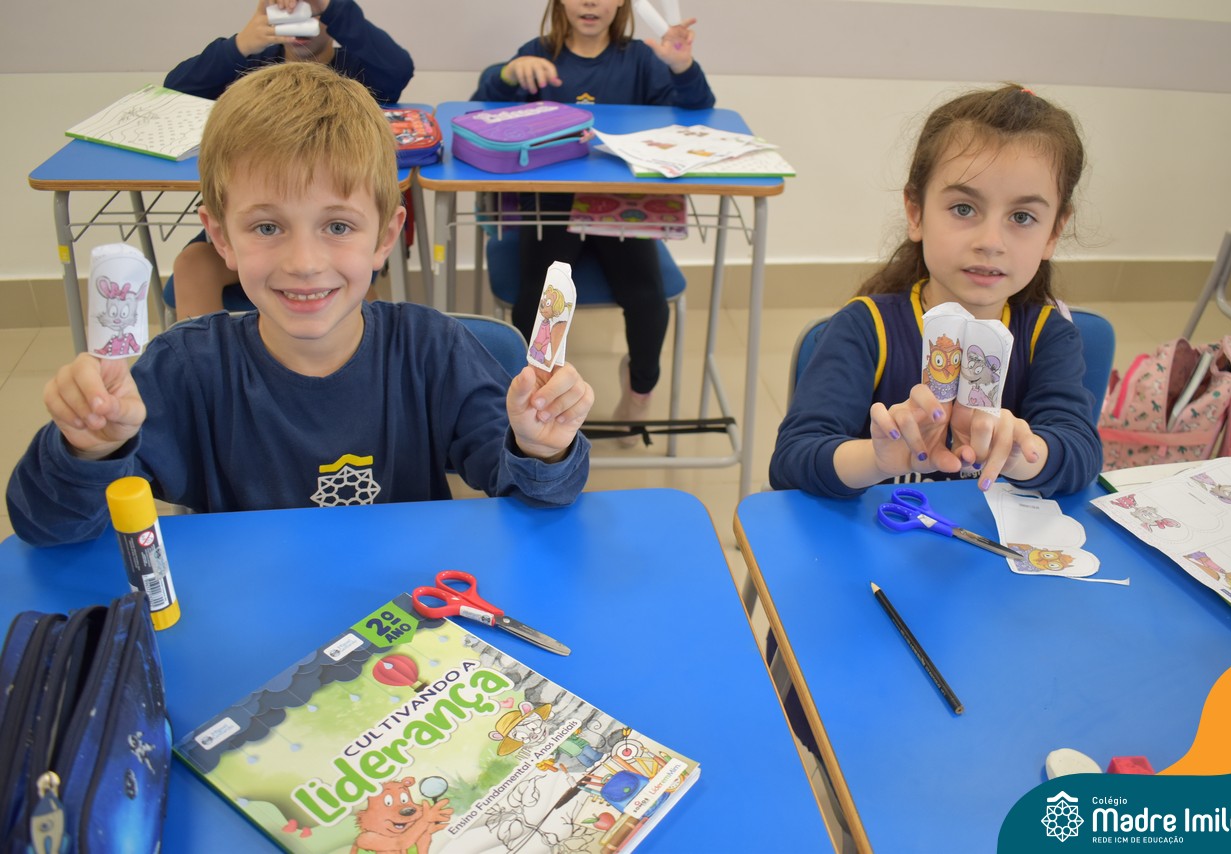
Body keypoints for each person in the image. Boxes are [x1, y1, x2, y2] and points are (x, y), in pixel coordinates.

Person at [6, 62, 594, 547]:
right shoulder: (185, 371)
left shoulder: (433, 352)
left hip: (407, 619)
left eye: (337, 226)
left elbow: (537, 500)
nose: (304, 262)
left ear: (385, 237)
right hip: (249, 623)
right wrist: (89, 450)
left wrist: (542, 449)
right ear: (221, 238)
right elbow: (49, 528)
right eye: (267, 228)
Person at [770, 83, 1103, 498]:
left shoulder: (1049, 335)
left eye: (1022, 216)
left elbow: (1082, 453)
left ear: (1053, 232)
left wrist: (1019, 454)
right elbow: (791, 461)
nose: (991, 241)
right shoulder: (865, 327)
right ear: (916, 212)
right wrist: (877, 459)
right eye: (964, 208)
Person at [473, 0, 714, 445]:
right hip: (551, 207)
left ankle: (639, 391)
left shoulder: (640, 59)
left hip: (620, 206)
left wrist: (682, 68)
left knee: (648, 300)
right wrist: (505, 75)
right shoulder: (537, 54)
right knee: (538, 302)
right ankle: (537, 397)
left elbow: (697, 114)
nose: (589, 2)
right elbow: (480, 111)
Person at [165, 0, 414, 319]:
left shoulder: (358, 69)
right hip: (259, 219)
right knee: (191, 264)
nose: (299, 19)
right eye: (288, 10)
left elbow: (399, 69)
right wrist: (240, 44)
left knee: (349, 272)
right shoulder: (250, 66)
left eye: (312, 11)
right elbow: (174, 93)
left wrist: (333, 8)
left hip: (331, 230)